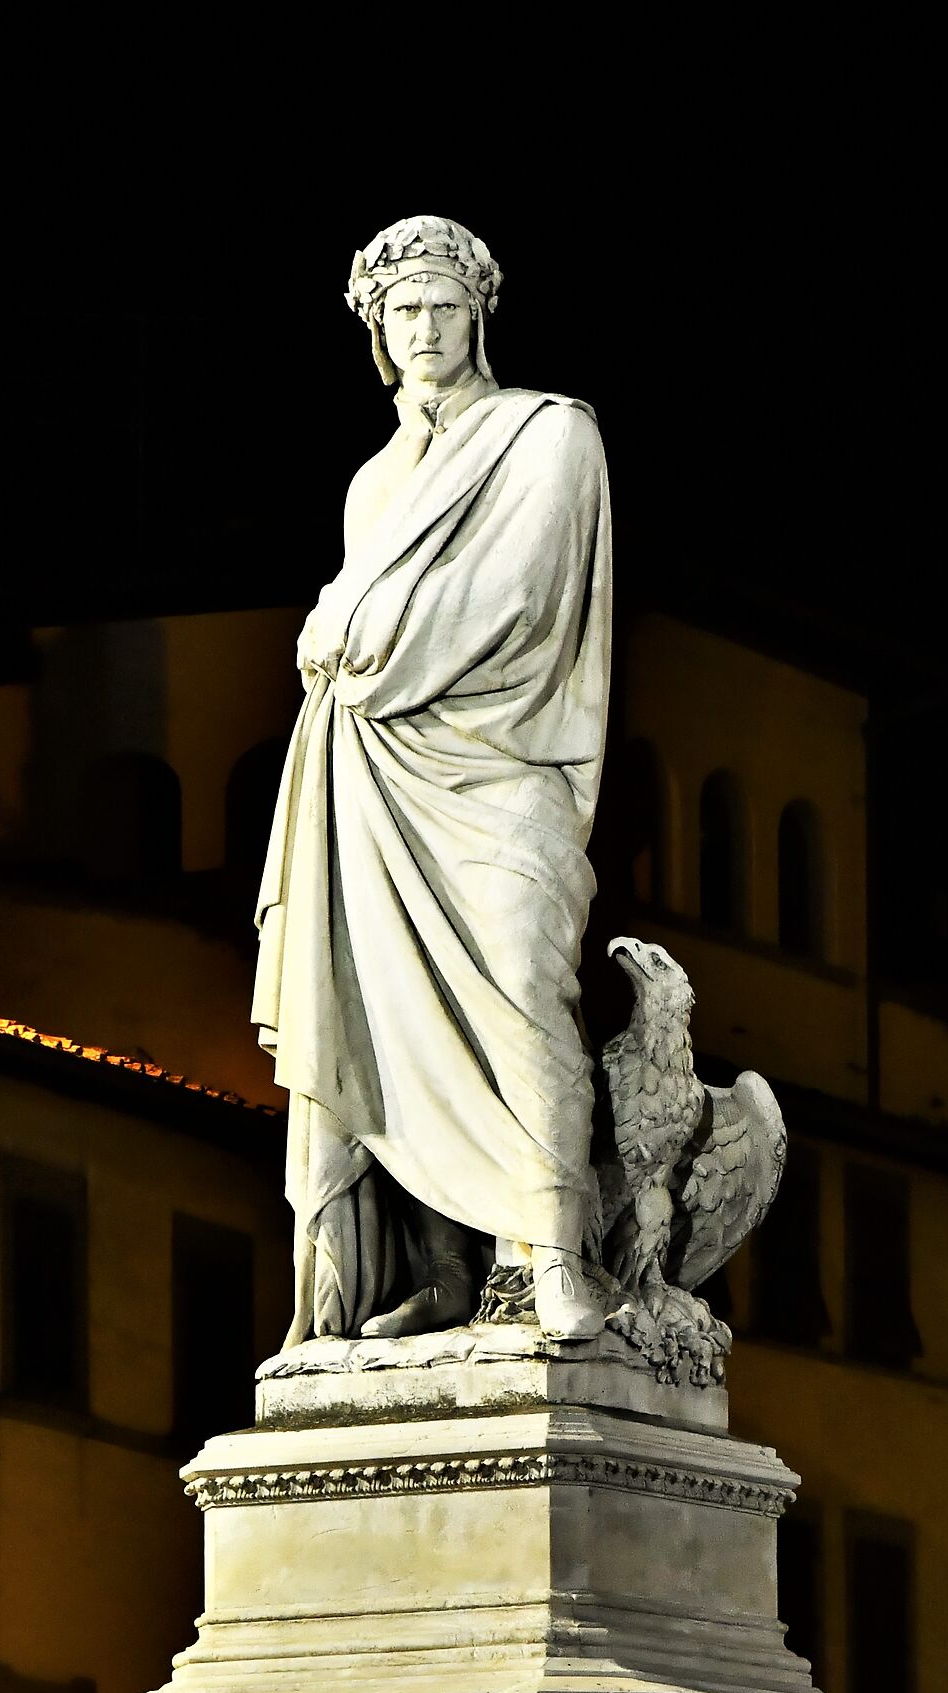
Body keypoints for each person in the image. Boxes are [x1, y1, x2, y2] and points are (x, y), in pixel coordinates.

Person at [253, 215, 612, 1345]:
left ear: (478, 316)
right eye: (400, 312)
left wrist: (346, 636)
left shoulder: (547, 437)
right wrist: (346, 637)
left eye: (441, 309)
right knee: (382, 1008)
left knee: (518, 981)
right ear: (375, 329)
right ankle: (449, 1274)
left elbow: (516, 592)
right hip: (374, 768)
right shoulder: (371, 483)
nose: (421, 330)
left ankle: (554, 1250)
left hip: (503, 757)